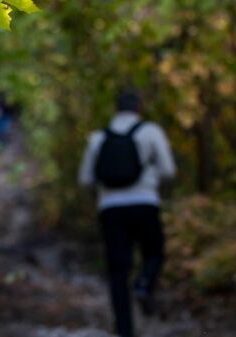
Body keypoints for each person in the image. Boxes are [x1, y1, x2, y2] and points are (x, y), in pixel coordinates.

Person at [78, 89, 176, 337]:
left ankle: (125, 330)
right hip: (145, 203)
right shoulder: (151, 132)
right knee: (154, 252)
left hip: (110, 208)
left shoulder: (98, 138)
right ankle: (144, 284)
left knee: (118, 270)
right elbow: (168, 170)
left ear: (116, 108)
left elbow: (86, 178)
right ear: (138, 108)